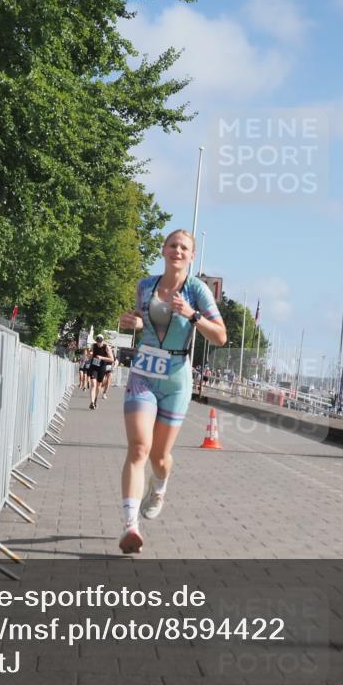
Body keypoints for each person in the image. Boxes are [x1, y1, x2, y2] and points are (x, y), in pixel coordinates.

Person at [116, 229, 227, 554]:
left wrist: (192, 315)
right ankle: (130, 527)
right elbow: (144, 320)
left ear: (191, 256)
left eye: (184, 248)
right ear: (164, 250)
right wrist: (135, 322)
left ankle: (160, 486)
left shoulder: (197, 291)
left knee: (159, 458)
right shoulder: (145, 286)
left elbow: (220, 336)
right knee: (139, 448)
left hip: (176, 379)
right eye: (173, 245)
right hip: (144, 374)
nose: (177, 251)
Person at [89, 335, 114, 409]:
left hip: (101, 368)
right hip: (94, 367)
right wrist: (89, 354)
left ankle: (95, 400)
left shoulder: (106, 347)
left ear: (103, 341)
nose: (98, 343)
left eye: (100, 342)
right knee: (93, 384)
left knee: (98, 385)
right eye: (97, 342)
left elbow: (112, 359)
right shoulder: (93, 346)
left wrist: (101, 358)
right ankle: (92, 402)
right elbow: (90, 355)